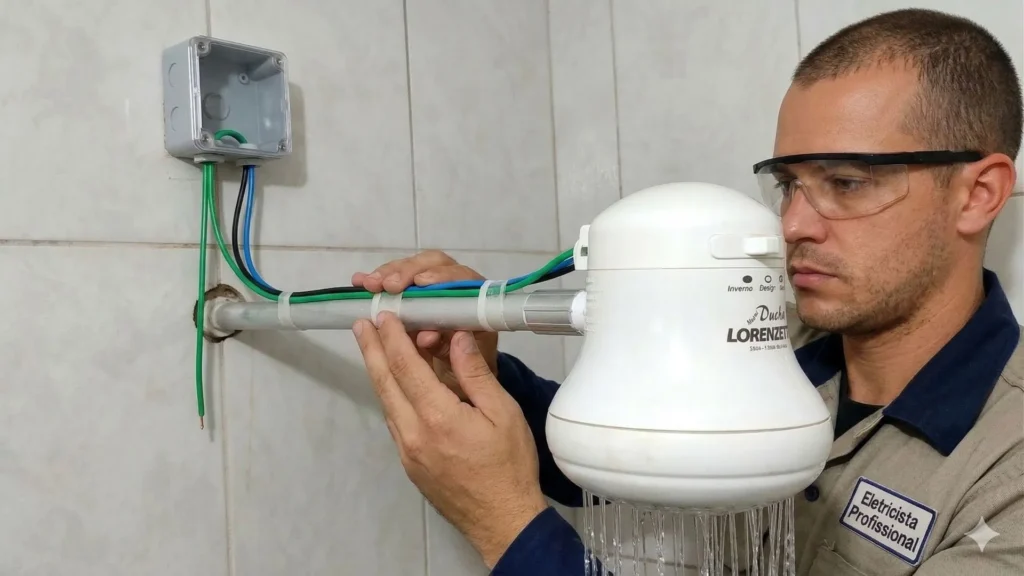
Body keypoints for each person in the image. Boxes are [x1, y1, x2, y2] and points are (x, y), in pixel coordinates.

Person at [350, 8, 1024, 575]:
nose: (791, 225)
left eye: (846, 182)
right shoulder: (777, 336)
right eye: (788, 184)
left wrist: (505, 523)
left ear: (978, 194)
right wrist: (480, 369)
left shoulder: (1008, 471)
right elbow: (637, 448)